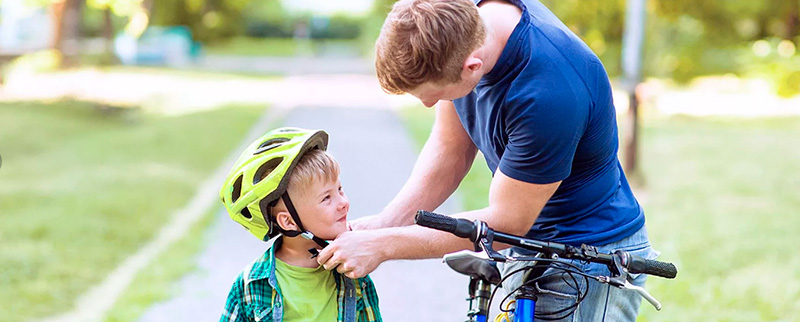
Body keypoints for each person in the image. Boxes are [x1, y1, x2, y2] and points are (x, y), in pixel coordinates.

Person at [316, 0, 659, 320]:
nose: (427, 106)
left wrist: (384, 245)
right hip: (528, 248)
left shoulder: (548, 92)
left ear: (472, 67)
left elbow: (507, 224)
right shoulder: (453, 26)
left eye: (432, 95)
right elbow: (452, 149)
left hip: (587, 258)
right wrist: (384, 224)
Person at [218, 127, 382, 322]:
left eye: (340, 189)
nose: (343, 202)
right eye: (327, 198)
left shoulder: (355, 276)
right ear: (288, 221)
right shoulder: (249, 286)